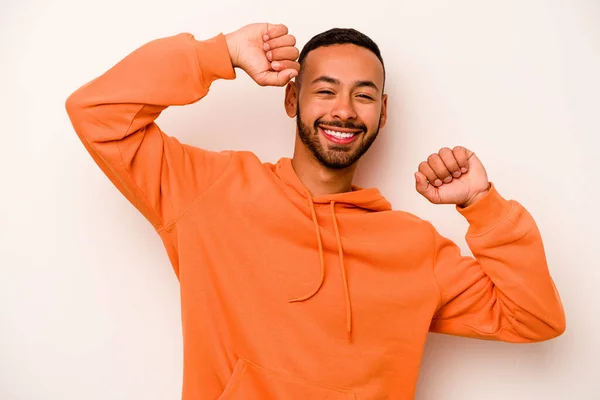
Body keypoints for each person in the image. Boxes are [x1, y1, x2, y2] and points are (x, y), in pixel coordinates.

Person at [65, 22, 566, 400]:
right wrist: (217, 55)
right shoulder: (211, 192)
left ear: (382, 113)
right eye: (325, 90)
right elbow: (97, 113)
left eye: (363, 95)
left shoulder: (414, 249)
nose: (344, 110)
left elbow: (535, 319)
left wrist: (482, 205)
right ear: (292, 99)